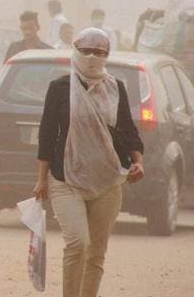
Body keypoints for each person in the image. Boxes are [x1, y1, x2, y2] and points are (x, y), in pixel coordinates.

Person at [33, 28, 145, 297]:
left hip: (107, 181)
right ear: (75, 50)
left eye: (99, 52)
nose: (92, 57)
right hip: (65, 178)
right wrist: (40, 179)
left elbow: (128, 130)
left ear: (107, 55)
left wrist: (138, 161)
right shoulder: (59, 88)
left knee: (96, 252)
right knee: (78, 244)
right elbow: (47, 134)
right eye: (86, 50)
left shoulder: (115, 88)